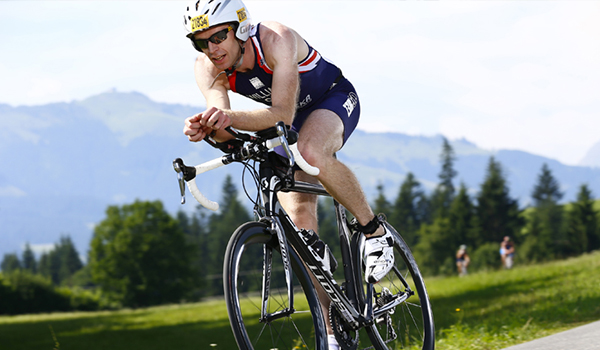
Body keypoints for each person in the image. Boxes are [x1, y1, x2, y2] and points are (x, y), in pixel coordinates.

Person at [180, 1, 395, 348]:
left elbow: (281, 112)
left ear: (240, 27)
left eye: (219, 36)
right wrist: (208, 127)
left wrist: (226, 119)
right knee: (299, 223)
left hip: (329, 100)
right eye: (201, 41)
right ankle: (330, 333)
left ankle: (374, 230)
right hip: (283, 126)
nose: (212, 48)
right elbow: (225, 125)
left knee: (311, 152)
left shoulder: (276, 39)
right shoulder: (207, 67)